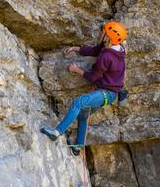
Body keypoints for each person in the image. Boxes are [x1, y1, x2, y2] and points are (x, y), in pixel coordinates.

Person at [40, 21, 128, 156]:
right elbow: (94, 50)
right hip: (109, 92)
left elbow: (93, 77)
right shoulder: (117, 48)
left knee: (78, 102)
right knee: (83, 115)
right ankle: (78, 146)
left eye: (102, 31)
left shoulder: (107, 56)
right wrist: (76, 48)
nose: (99, 33)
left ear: (108, 36)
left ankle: (57, 132)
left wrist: (76, 70)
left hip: (106, 93)